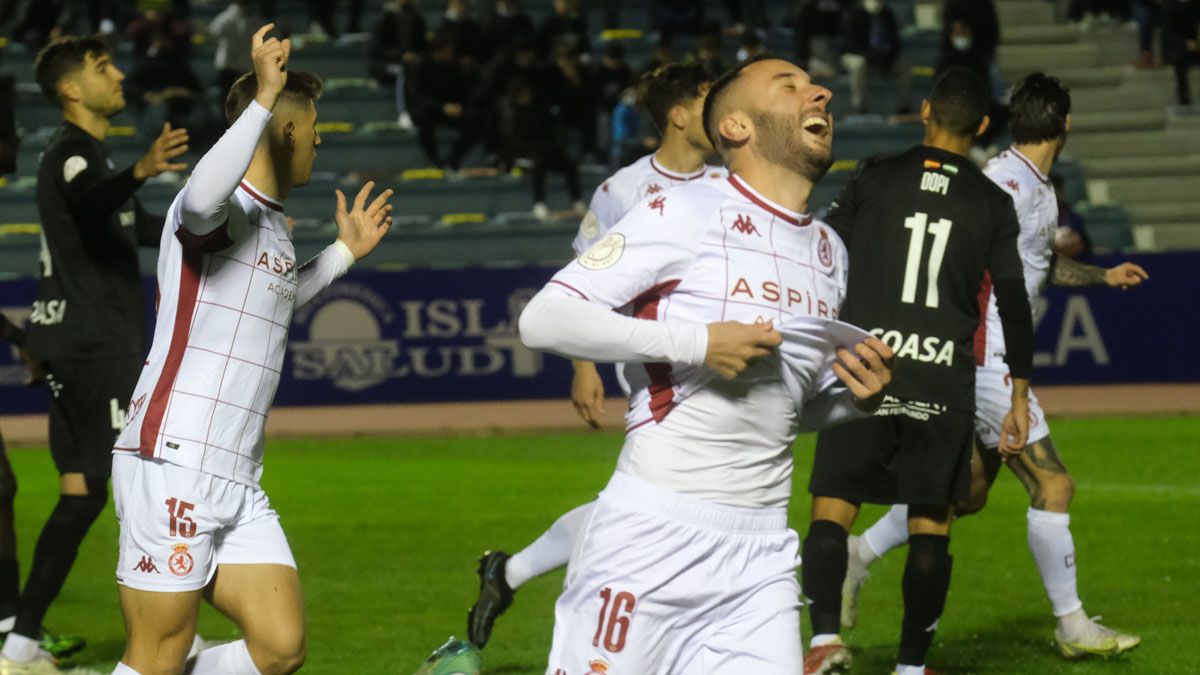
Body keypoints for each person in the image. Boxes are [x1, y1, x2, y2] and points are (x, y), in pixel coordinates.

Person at [519, 55, 895, 673]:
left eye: (815, 84)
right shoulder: (683, 212)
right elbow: (545, 319)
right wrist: (697, 343)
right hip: (650, 538)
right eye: (790, 86)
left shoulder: (829, 250)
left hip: (763, 557)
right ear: (737, 128)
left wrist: (854, 400)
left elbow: (784, 411)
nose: (820, 93)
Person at [108, 24, 392, 675]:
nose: (319, 138)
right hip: (173, 455)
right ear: (285, 131)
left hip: (237, 472)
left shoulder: (272, 226)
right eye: (313, 125)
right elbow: (202, 197)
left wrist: (344, 253)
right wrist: (264, 95)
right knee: (158, 652)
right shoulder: (216, 206)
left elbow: (279, 302)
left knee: (281, 646)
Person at [842, 72, 1146, 662]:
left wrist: (1104, 277)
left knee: (969, 491)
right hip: (988, 357)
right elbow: (972, 265)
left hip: (988, 353)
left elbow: (1033, 262)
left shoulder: (1032, 184)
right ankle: (1072, 625)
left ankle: (857, 553)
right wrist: (984, 360)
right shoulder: (1003, 183)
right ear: (1066, 123)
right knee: (1053, 485)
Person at [466, 62, 724, 649]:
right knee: (664, 509)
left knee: (656, 508)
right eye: (709, 100)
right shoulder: (623, 191)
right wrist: (583, 366)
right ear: (680, 115)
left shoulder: (729, 185)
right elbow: (579, 278)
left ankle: (509, 574)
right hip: (655, 369)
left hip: (713, 365)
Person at [799, 67, 1036, 675]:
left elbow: (823, 251)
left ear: (925, 110)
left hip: (865, 365)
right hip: (941, 378)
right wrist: (1019, 396)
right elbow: (1013, 302)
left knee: (834, 506)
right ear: (983, 126)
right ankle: (909, 667)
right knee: (931, 521)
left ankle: (824, 640)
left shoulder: (876, 173)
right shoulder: (992, 201)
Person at [0, 34, 190, 673]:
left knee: (82, 495)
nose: (117, 73)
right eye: (102, 67)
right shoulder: (74, 155)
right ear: (71, 91)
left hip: (68, 345)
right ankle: (162, 648)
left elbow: (142, 228)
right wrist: (139, 169)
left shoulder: (90, 163)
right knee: (146, 484)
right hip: (94, 346)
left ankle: (19, 646)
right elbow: (90, 203)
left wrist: (222, 227)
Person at [407, 37, 479, 171]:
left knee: (474, 121)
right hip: (429, 109)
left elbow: (461, 91)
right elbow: (417, 95)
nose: (452, 54)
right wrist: (442, 106)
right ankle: (434, 160)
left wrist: (456, 106)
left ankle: (454, 159)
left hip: (449, 109)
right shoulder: (421, 66)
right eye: (448, 51)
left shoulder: (454, 67)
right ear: (437, 51)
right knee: (424, 121)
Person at [841, 0, 912, 114]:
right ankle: (860, 106)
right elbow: (853, 44)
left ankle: (903, 106)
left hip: (884, 58)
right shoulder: (855, 14)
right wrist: (871, 56)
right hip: (856, 55)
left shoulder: (887, 15)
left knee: (904, 66)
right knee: (859, 64)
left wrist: (888, 57)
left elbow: (896, 42)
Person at [368, 0, 427, 131]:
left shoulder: (417, 19)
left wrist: (415, 56)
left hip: (412, 64)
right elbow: (377, 48)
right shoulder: (385, 19)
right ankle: (404, 112)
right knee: (402, 71)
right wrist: (400, 55)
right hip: (387, 64)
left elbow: (422, 46)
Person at [209, 0, 259, 113]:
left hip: (246, 68)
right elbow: (213, 31)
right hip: (229, 68)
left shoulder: (257, 17)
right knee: (227, 102)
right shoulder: (226, 18)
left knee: (247, 102)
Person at [1164, 0, 1200, 104]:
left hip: (1195, 45)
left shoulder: (1195, 6)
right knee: (1180, 60)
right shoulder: (1170, 8)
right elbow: (1167, 35)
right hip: (1178, 48)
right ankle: (1183, 93)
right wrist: (1185, 42)